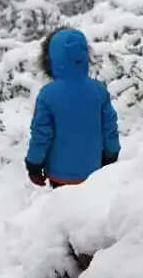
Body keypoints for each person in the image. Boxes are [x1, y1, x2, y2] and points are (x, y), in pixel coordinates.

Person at [25, 28, 120, 188]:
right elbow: (109, 127)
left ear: (52, 58)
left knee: (64, 210)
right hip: (94, 173)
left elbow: (41, 134)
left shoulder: (48, 95)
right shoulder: (98, 91)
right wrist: (111, 154)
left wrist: (34, 165)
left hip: (59, 175)